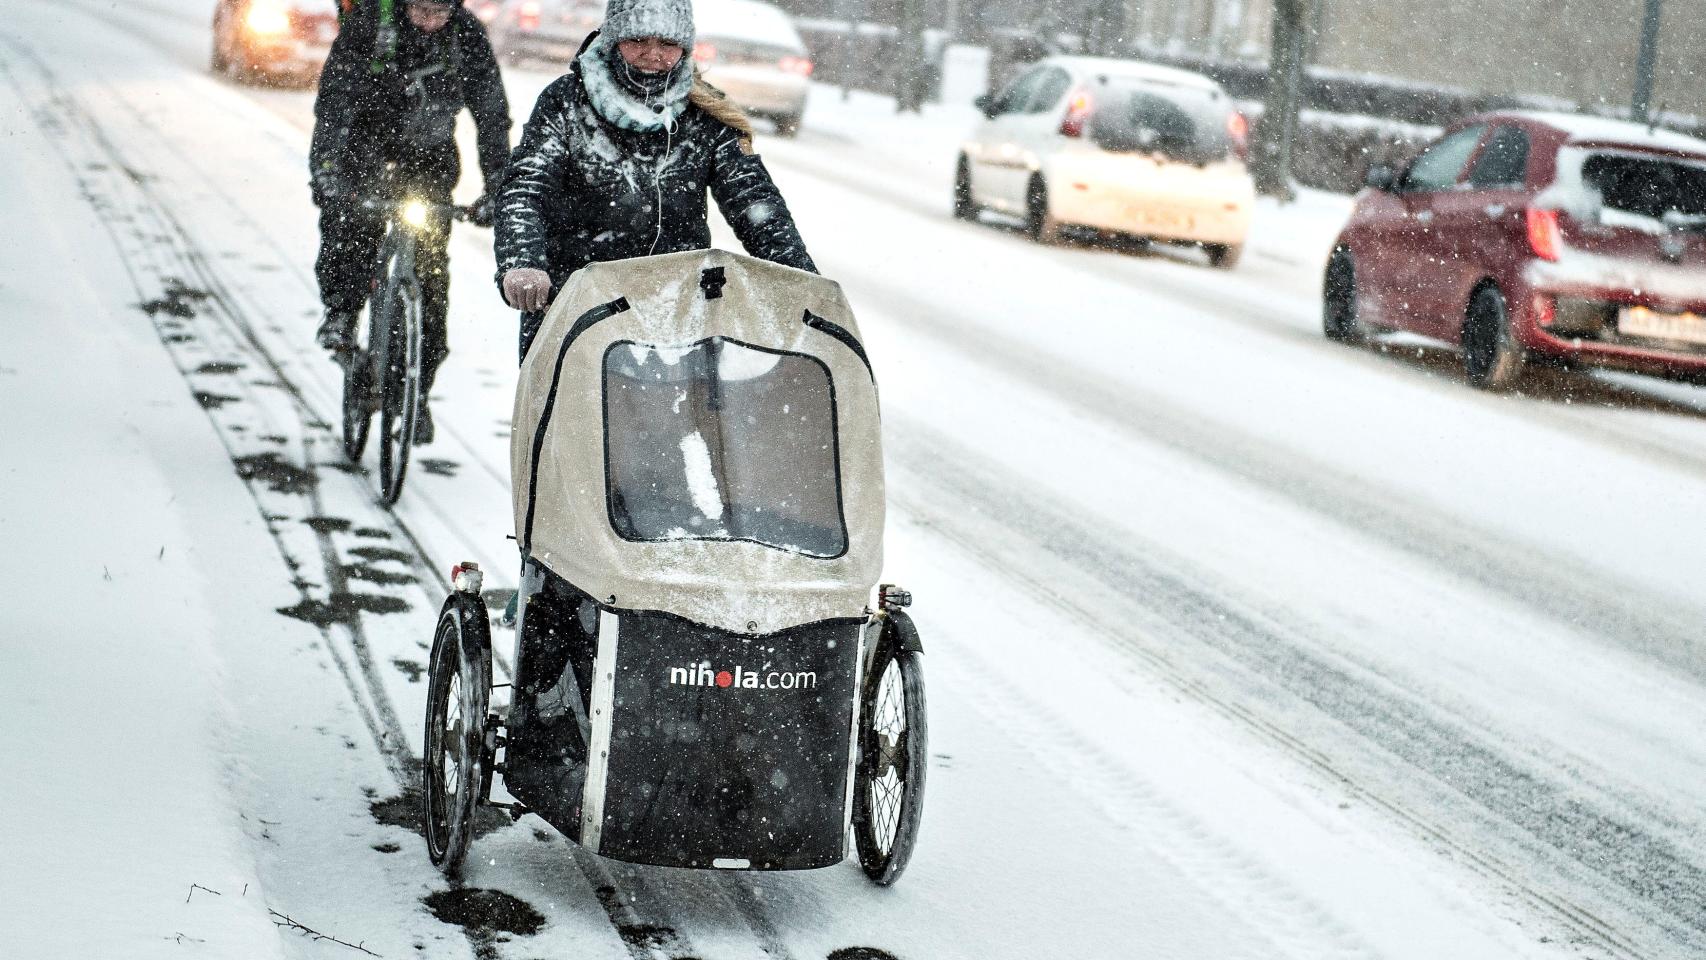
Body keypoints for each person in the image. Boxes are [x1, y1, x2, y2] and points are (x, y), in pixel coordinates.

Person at [493, 0, 816, 360]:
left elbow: (755, 204)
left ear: (684, 48)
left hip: (678, 309)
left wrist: (803, 282)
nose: (652, 54)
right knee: (567, 413)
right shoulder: (566, 102)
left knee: (689, 415)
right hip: (573, 304)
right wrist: (522, 261)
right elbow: (526, 186)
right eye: (638, 41)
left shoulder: (706, 115)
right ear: (613, 39)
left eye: (667, 44)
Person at [310, 0, 512, 443]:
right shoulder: (370, 25)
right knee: (351, 229)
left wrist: (498, 186)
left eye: (439, 13)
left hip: (429, 161)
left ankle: (414, 393)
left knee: (431, 278)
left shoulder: (467, 36)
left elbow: (491, 114)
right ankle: (341, 312)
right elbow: (335, 100)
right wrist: (326, 169)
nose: (429, 22)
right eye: (420, 10)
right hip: (363, 154)